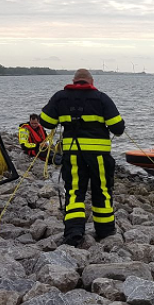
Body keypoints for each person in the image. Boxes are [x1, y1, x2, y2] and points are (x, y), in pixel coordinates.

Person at [39, 69, 125, 246]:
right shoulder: (101, 98)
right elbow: (118, 127)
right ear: (91, 82)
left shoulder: (60, 97)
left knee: (75, 191)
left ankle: (74, 232)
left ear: (74, 80)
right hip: (99, 156)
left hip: (73, 154)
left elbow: (45, 121)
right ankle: (105, 230)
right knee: (102, 190)